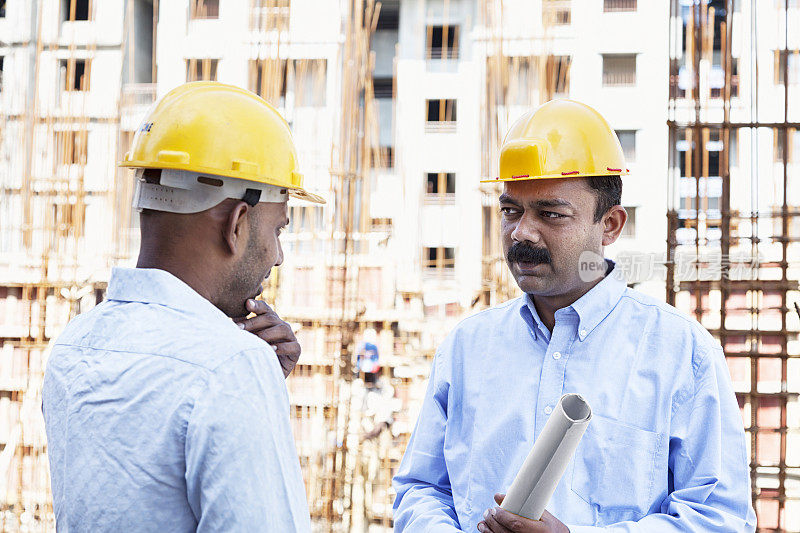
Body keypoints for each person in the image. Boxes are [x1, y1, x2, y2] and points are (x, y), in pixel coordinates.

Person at [392, 100, 756, 532]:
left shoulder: (681, 354)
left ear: (611, 225)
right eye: (511, 211)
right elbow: (420, 490)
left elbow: (719, 519)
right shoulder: (467, 347)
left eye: (551, 214)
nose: (522, 232)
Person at [42, 82, 324, 531]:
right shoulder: (231, 367)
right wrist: (250, 383)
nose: (277, 255)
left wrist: (256, 392)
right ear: (237, 223)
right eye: (279, 230)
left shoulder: (74, 346)